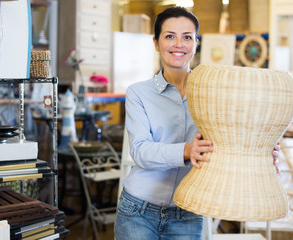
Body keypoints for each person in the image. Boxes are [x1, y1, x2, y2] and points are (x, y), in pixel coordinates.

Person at [114, 6, 280, 240]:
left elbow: (233, 136)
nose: (178, 44)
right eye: (170, 36)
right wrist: (186, 150)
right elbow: (141, 151)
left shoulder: (215, 94)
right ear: (156, 43)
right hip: (138, 211)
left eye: (187, 37)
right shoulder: (138, 93)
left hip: (189, 212)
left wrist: (259, 148)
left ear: (196, 43)